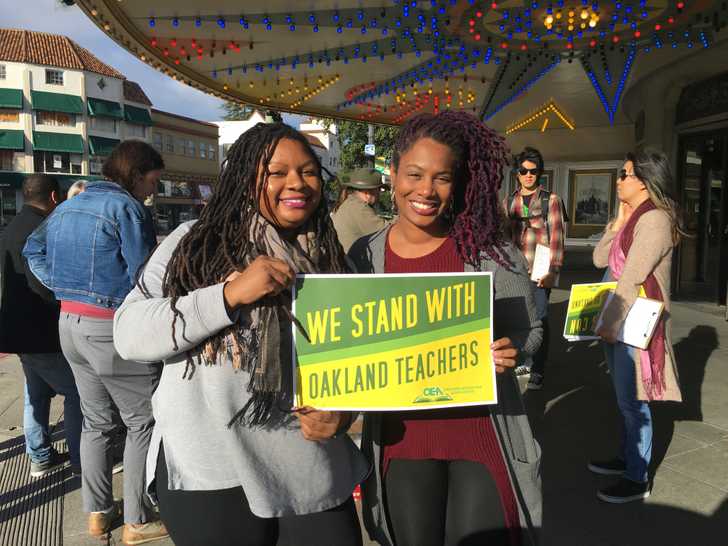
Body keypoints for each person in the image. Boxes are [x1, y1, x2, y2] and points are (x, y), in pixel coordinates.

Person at [112, 123, 369, 546]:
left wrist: (346, 412)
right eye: (277, 172)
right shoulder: (190, 245)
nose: (297, 183)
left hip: (312, 466)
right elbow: (130, 334)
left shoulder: (333, 261)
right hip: (213, 473)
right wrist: (228, 296)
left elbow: (361, 358)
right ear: (245, 178)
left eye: (308, 172)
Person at [349, 111, 543, 546]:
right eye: (414, 174)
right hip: (402, 442)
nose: (425, 190)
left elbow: (531, 329)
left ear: (459, 183)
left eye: (442, 178)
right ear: (392, 173)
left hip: (480, 432)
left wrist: (512, 349)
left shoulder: (490, 250)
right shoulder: (364, 257)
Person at [24, 141, 168, 544]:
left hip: (68, 322)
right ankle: (138, 519)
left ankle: (97, 513)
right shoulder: (129, 209)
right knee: (142, 421)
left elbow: (31, 248)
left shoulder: (69, 205)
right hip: (110, 326)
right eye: (152, 181)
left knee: (96, 423)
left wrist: (62, 288)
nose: (152, 191)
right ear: (136, 174)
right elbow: (145, 274)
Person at [592, 148, 683, 503]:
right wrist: (617, 221)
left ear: (644, 182)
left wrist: (610, 323)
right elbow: (601, 258)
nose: (619, 180)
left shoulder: (656, 220)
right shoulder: (631, 218)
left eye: (626, 174)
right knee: (623, 398)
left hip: (633, 321)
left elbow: (631, 278)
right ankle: (626, 457)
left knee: (635, 403)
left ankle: (637, 476)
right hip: (616, 316)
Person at [0, 174, 82, 478]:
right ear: (53, 197)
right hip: (41, 330)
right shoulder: (42, 229)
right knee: (76, 393)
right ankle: (80, 459)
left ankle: (40, 455)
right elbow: (46, 286)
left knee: (35, 392)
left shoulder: (10, 228)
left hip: (16, 329)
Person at [504, 147, 566, 391]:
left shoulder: (551, 200)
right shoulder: (508, 202)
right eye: (524, 171)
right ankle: (522, 364)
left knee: (539, 319)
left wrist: (554, 270)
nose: (529, 175)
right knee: (518, 319)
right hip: (514, 270)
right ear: (517, 174)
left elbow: (558, 237)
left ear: (539, 173)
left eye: (534, 171)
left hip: (541, 269)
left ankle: (537, 368)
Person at [331, 167, 387, 252]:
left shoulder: (349, 204)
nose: (380, 194)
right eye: (378, 189)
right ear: (367, 193)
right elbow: (388, 233)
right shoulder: (359, 208)